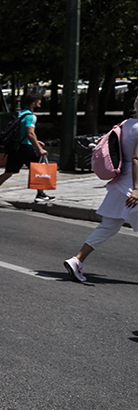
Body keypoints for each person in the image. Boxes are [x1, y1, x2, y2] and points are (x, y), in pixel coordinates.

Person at [63, 98, 138, 282]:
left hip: (119, 181)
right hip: (133, 185)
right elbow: (137, 159)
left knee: (108, 226)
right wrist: (136, 189)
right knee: (108, 226)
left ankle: (77, 260)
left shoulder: (125, 124)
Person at [0, 91, 53, 206]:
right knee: (38, 169)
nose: (40, 105)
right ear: (33, 103)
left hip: (16, 148)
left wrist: (36, 141)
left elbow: (22, 133)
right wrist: (39, 148)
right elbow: (30, 134)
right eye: (39, 103)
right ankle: (40, 195)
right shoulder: (31, 117)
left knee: (8, 172)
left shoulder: (20, 114)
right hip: (25, 148)